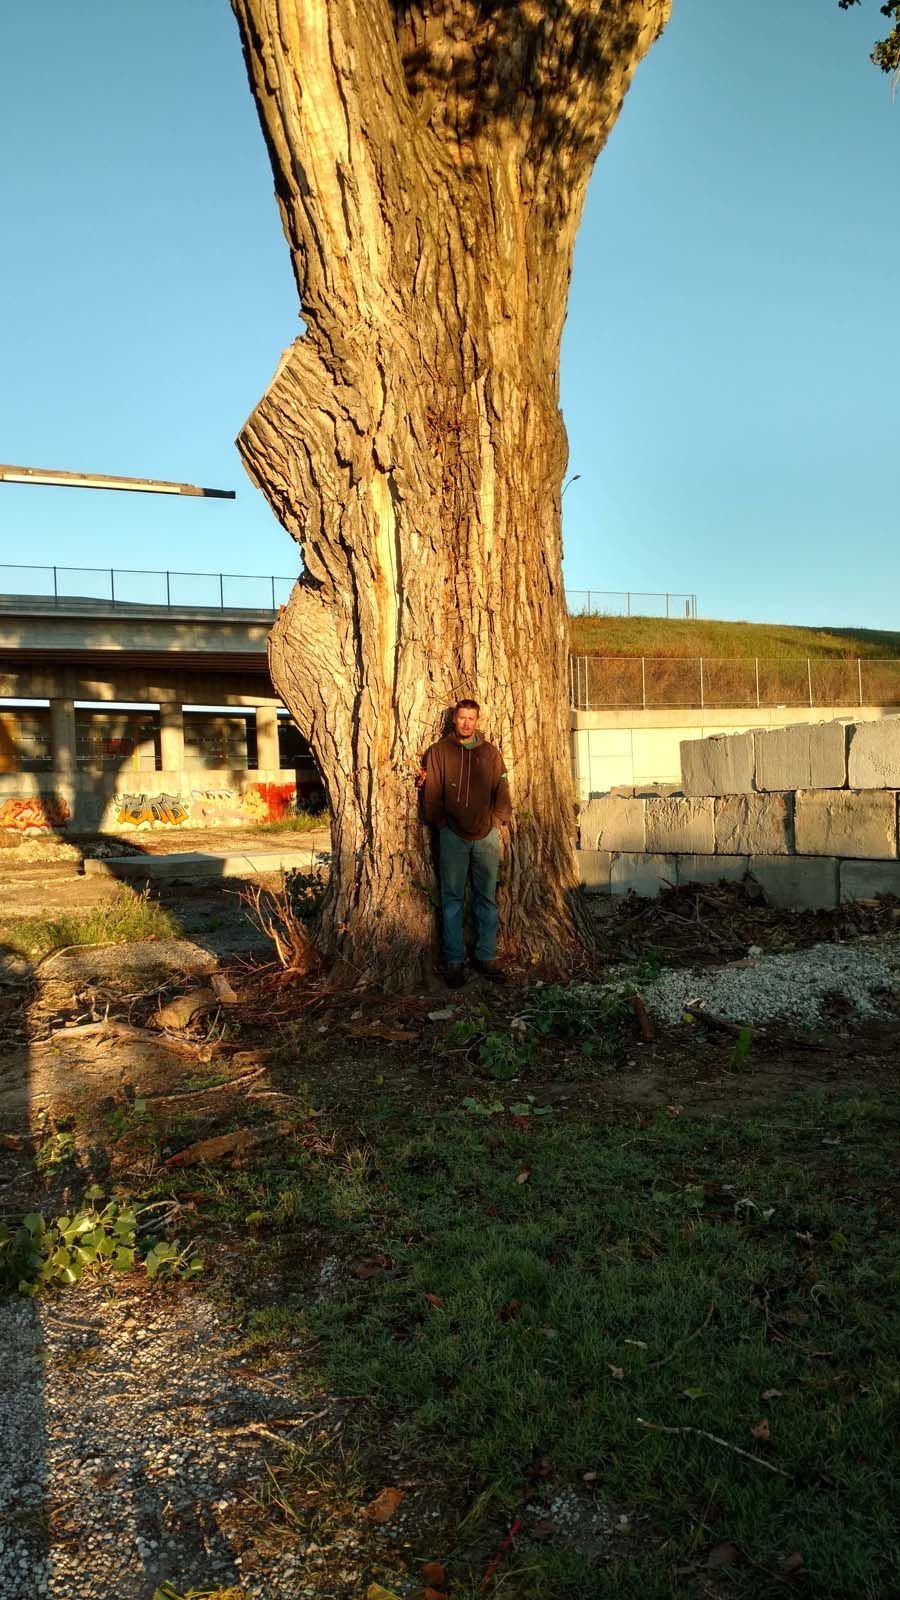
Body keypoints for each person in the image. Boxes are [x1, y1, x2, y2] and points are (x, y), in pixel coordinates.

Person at [421, 699, 512, 987]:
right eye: (462, 718)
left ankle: (485, 956)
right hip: (452, 837)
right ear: (454, 719)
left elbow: (502, 790)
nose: (466, 723)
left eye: (471, 718)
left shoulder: (490, 753)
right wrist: (442, 825)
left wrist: (497, 821)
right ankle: (454, 961)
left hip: (486, 836)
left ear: (478, 720)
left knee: (486, 898)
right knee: (452, 900)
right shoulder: (439, 752)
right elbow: (432, 792)